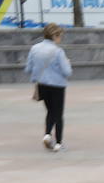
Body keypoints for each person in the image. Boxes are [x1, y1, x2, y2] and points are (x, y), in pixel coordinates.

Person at [25, 22, 72, 152]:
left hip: (41, 85)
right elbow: (67, 72)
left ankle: (47, 135)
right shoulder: (58, 51)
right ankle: (58, 143)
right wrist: (68, 63)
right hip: (57, 86)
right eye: (60, 36)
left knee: (50, 111)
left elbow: (28, 68)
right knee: (58, 114)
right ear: (55, 36)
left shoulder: (34, 48)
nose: (60, 39)